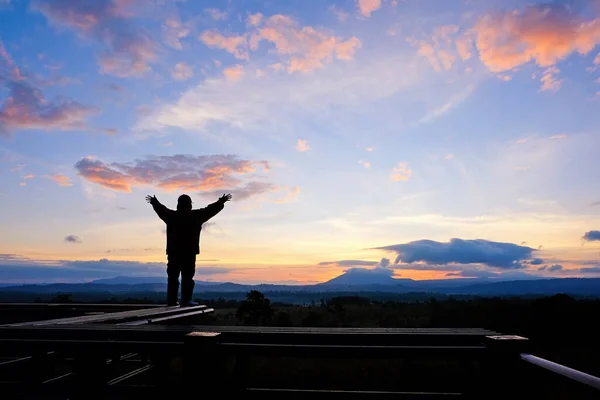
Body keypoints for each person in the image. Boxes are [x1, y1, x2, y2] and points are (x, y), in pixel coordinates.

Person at [146, 193, 232, 306]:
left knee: (173, 278)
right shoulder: (195, 216)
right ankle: (185, 300)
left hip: (174, 253)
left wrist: (155, 202)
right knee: (187, 278)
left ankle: (172, 300)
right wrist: (221, 202)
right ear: (190, 205)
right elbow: (209, 210)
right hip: (188, 253)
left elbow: (162, 210)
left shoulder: (172, 216)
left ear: (178, 204)